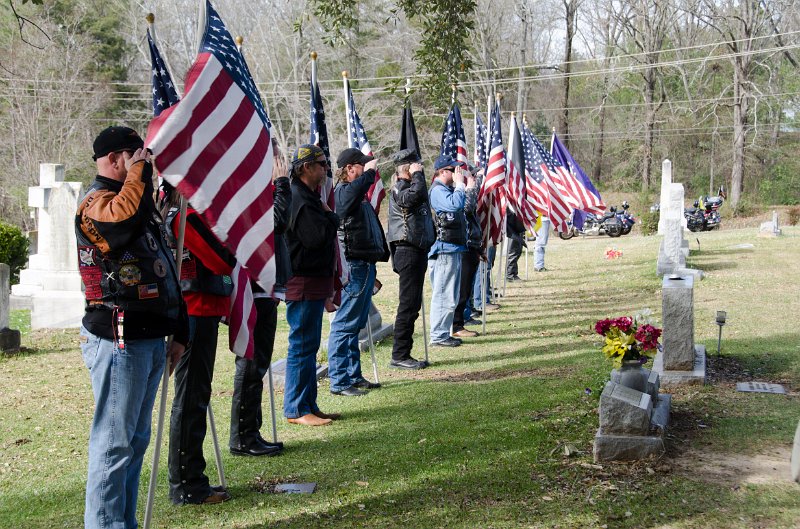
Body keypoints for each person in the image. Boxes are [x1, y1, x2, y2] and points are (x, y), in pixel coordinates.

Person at [76, 126, 188, 528]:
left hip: (149, 336)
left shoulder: (138, 202)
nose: (147, 164)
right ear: (116, 159)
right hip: (117, 338)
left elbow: (164, 269)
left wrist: (179, 330)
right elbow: (117, 227)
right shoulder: (96, 203)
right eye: (136, 155)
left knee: (135, 442)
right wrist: (140, 172)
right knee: (114, 445)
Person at [164, 189, 235, 505]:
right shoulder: (185, 217)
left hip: (201, 310)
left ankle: (192, 478)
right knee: (190, 399)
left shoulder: (187, 215)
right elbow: (221, 261)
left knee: (196, 397)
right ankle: (187, 484)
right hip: (194, 311)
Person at [229, 140, 292, 456]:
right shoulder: (250, 190)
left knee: (260, 361)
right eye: (276, 159)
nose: (281, 164)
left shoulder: (261, 190)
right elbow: (275, 222)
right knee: (252, 362)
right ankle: (243, 436)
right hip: (255, 286)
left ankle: (250, 431)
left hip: (267, 285)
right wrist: (282, 185)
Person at [284, 144, 341, 425]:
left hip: (313, 281)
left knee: (309, 345)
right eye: (321, 164)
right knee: (302, 345)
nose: (326, 168)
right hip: (303, 281)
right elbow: (316, 238)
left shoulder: (308, 197)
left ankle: (308, 403)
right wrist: (332, 216)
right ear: (306, 168)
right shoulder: (300, 199)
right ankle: (296, 409)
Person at [327, 148, 389, 395]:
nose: (367, 169)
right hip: (354, 266)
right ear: (350, 168)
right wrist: (371, 172)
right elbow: (348, 199)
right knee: (344, 325)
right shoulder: (343, 192)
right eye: (362, 166)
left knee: (355, 325)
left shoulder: (356, 194)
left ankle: (353, 376)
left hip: (364, 265)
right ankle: (340, 381)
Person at [386, 148, 434, 369]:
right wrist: (417, 176)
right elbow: (413, 198)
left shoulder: (410, 186)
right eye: (416, 166)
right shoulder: (400, 187)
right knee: (407, 304)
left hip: (417, 249)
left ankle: (403, 352)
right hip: (407, 250)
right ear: (407, 167)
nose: (420, 169)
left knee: (412, 304)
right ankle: (399, 354)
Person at [428, 155, 475, 347]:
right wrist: (460, 185)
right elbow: (455, 205)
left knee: (450, 295)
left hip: (453, 247)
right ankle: (438, 335)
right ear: (442, 172)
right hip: (443, 249)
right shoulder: (438, 191)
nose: (457, 173)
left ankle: (443, 332)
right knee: (443, 294)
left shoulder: (447, 190)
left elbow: (464, 208)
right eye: (452, 170)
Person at [452, 163, 484, 338]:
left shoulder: (466, 191)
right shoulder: (459, 193)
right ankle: (456, 325)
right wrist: (470, 189)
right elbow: (465, 210)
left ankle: (462, 320)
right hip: (463, 245)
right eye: (471, 176)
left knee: (466, 289)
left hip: (471, 244)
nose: (474, 179)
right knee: (461, 290)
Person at [505, 210, 526, 281]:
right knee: (513, 251)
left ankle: (512, 273)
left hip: (517, 225)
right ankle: (510, 274)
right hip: (513, 227)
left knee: (517, 251)